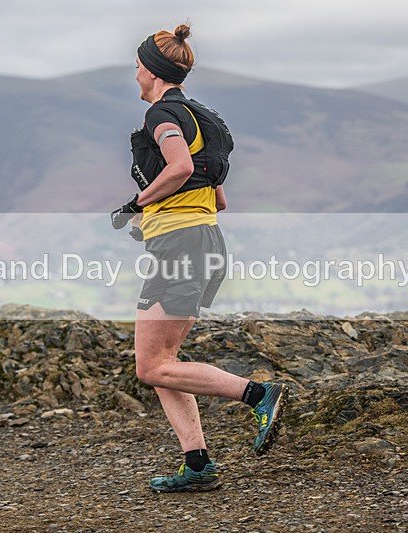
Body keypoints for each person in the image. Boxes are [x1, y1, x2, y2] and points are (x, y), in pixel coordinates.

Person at [110, 23, 289, 493]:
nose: (134, 76)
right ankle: (197, 464)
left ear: (151, 70)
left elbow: (181, 168)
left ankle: (258, 394)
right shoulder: (199, 118)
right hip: (203, 238)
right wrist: (153, 217)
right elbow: (216, 197)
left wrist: (138, 203)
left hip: (182, 246)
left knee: (150, 366)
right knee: (163, 361)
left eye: (136, 68)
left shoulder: (163, 116)